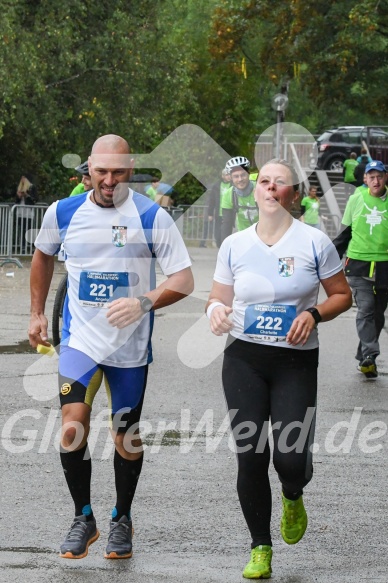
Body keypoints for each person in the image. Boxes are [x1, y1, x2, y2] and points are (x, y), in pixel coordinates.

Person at [28, 134, 194, 560]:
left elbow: (182, 280)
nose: (108, 180)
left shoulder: (151, 216)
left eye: (118, 172)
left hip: (129, 350)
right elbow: (43, 255)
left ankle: (122, 518)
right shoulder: (63, 211)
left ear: (130, 168)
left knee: (125, 436)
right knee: (71, 426)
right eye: (100, 171)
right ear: (89, 168)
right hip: (80, 341)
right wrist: (37, 313)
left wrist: (144, 301)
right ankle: (84, 517)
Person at [206, 159, 351, 579]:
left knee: (289, 458)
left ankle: (293, 491)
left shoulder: (314, 242)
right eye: (264, 182)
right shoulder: (235, 244)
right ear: (255, 192)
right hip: (243, 359)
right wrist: (216, 311)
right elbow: (217, 297)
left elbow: (341, 295)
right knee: (250, 455)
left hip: (295, 361)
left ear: (293, 194)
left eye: (279, 184)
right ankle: (260, 546)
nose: (270, 189)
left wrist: (315, 315)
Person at [332, 160, 388, 379]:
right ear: (365, 179)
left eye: (379, 176)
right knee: (365, 309)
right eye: (371, 176)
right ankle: (371, 355)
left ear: (385, 177)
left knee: (378, 313)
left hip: (384, 265)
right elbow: (344, 234)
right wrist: (329, 262)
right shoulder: (355, 200)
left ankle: (364, 351)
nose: (375, 180)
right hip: (358, 263)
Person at [221, 156, 258, 242]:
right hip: (244, 237)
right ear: (231, 177)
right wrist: (224, 249)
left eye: (243, 175)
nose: (240, 179)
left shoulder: (260, 189)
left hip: (264, 235)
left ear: (248, 174)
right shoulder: (228, 195)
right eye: (236, 176)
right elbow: (226, 224)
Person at [15, 174, 38, 253]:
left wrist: (26, 195)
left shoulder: (32, 187)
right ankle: (23, 246)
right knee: (21, 229)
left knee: (29, 229)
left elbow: (34, 200)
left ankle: (32, 247)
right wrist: (19, 196)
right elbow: (16, 201)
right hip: (20, 211)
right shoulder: (19, 187)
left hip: (29, 212)